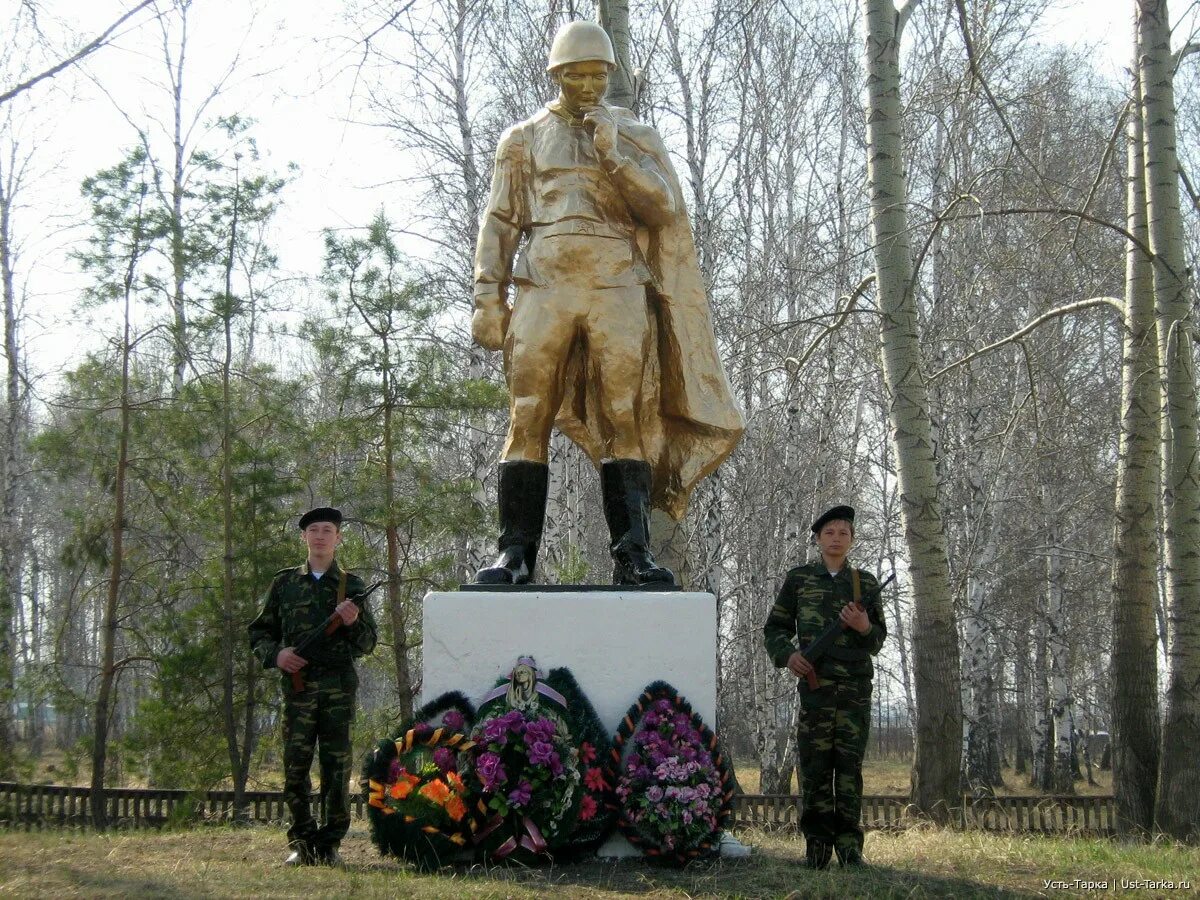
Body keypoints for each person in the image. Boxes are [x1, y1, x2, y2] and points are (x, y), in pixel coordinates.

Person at [470, 20, 743, 587]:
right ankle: (514, 555)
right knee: (528, 414)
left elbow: (663, 211)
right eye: (578, 76)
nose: (590, 85)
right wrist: (486, 298)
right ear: (557, 75)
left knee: (627, 415)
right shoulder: (522, 138)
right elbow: (500, 221)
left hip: (618, 284)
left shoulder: (634, 135)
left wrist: (613, 154)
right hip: (544, 283)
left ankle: (633, 554)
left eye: (599, 75)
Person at [248, 507, 378, 866]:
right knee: (295, 766)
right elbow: (259, 632)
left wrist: (352, 623)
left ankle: (330, 843)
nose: (320, 536)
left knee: (336, 767)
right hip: (298, 690)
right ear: (304, 538)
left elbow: (367, 644)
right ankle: (301, 842)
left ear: (338, 539)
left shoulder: (351, 587)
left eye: (328, 530)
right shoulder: (284, 583)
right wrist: (278, 656)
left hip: (338, 688)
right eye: (314, 530)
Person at [762, 505, 887, 869]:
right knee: (816, 769)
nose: (836, 538)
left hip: (854, 691)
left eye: (843, 533)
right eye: (829, 532)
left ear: (852, 540)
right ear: (817, 539)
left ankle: (849, 850)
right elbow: (775, 629)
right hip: (816, 690)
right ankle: (816, 849)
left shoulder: (865, 584)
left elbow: (878, 640)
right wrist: (789, 656)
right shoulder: (800, 579)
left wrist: (864, 625)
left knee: (849, 769)